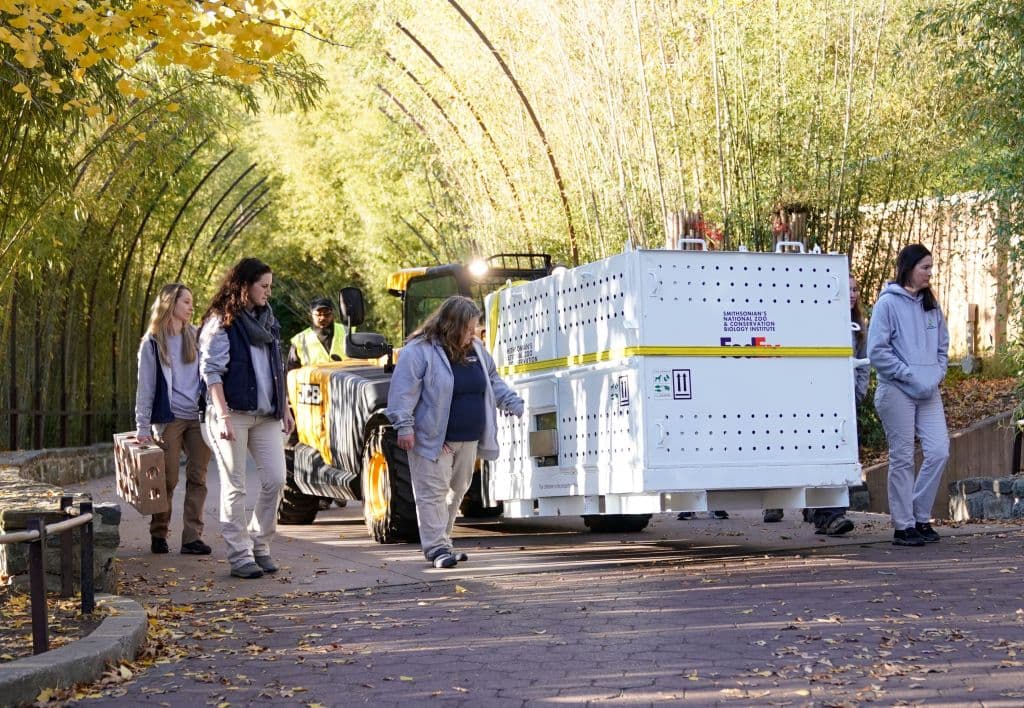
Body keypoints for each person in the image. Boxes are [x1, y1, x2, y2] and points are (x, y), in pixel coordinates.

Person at [385, 296, 524, 569]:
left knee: (457, 491)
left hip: (468, 437)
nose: (473, 334)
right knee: (432, 492)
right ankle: (436, 548)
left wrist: (510, 401)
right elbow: (402, 392)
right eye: (469, 328)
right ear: (452, 325)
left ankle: (443, 542)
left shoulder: (477, 350)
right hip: (433, 437)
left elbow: (492, 380)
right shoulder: (419, 351)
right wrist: (404, 426)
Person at [199, 257, 295, 579]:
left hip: (266, 414)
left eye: (270, 286)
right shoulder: (221, 322)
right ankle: (240, 555)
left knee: (276, 479)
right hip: (232, 414)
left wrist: (285, 407)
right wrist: (223, 415)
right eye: (263, 286)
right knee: (235, 486)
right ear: (245, 286)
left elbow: (276, 369)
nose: (268, 292)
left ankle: (260, 544)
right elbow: (212, 373)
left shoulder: (268, 320)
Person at [763, 274, 868, 533]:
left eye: (855, 289)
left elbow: (863, 362)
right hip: (811, 401)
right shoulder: (815, 318)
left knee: (837, 455)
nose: (852, 294)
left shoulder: (857, 326)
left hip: (844, 404)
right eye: (848, 289)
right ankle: (778, 499)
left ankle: (829, 514)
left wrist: (857, 393)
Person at [868, 244, 949, 547]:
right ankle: (903, 526)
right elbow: (877, 351)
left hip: (928, 391)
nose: (930, 273)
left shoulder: (931, 304)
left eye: (931, 267)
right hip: (897, 390)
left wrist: (936, 373)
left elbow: (943, 346)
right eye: (925, 267)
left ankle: (919, 515)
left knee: (939, 450)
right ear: (909, 268)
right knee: (902, 458)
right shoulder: (887, 304)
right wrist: (909, 374)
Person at [134, 283, 212, 556]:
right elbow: (145, 388)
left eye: (192, 302)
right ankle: (159, 533)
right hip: (170, 418)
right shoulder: (153, 342)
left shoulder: (197, 336)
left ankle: (192, 537)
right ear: (171, 303)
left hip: (198, 417)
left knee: (198, 478)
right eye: (186, 302)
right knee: (166, 480)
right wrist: (142, 427)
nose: (191, 307)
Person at [286, 297, 347, 371]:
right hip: (313, 382)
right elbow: (291, 372)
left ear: (332, 314)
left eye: (327, 314)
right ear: (310, 315)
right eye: (318, 315)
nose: (322, 318)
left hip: (346, 380)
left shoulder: (347, 332)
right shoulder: (300, 340)